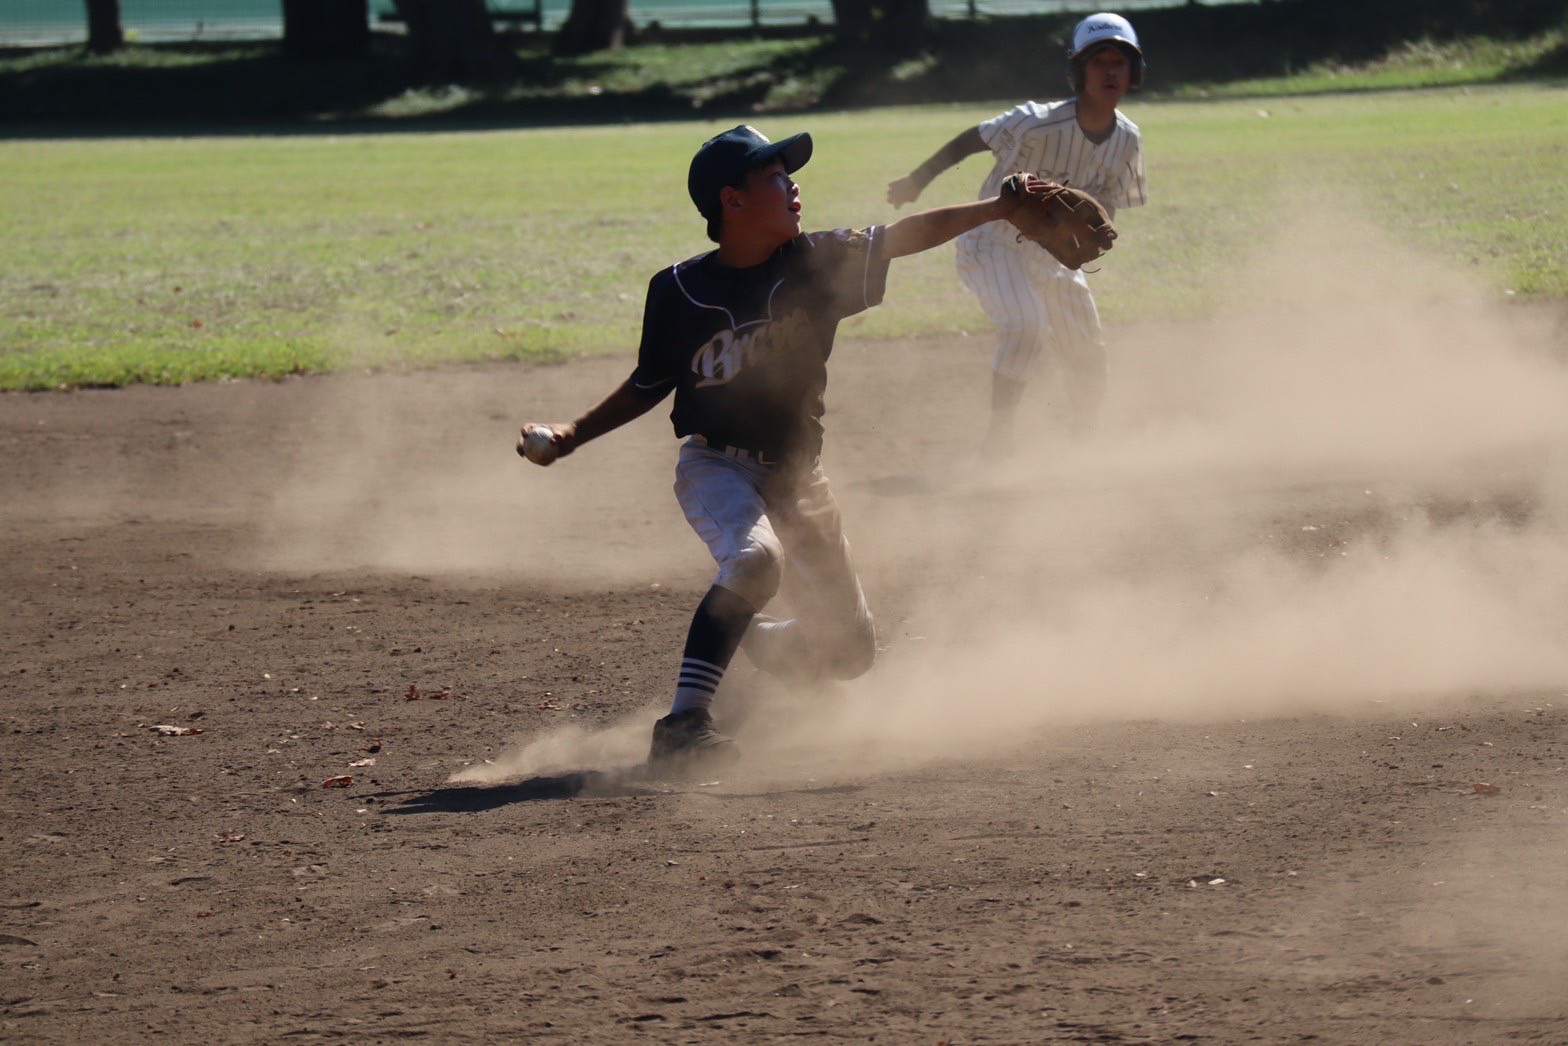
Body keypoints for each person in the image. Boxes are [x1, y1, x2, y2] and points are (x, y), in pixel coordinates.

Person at [518, 124, 1039, 771]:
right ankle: (682, 726)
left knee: (850, 651)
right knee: (755, 559)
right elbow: (648, 384)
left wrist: (1000, 208)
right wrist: (572, 434)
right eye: (775, 177)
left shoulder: (817, 264)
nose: (794, 188)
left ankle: (759, 640)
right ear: (731, 201)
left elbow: (906, 236)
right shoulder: (677, 291)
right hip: (716, 465)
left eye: (790, 176)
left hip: (800, 480)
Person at [886, 12, 1148, 452]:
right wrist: (917, 180)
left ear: (1133, 72)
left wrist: (1084, 244)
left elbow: (1109, 203)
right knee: (1027, 325)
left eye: (1119, 62)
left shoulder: (1129, 138)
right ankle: (999, 438)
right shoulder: (1036, 122)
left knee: (1087, 345)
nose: (1110, 70)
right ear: (1078, 71)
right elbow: (976, 137)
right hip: (991, 243)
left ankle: (1086, 440)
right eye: (1098, 61)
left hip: (1053, 254)